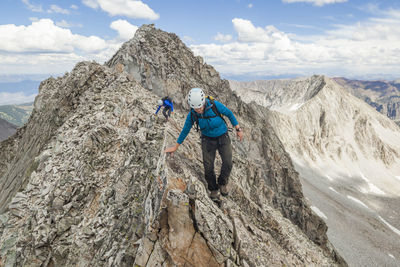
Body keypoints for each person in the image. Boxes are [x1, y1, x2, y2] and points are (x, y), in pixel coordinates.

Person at [165, 88, 243, 200]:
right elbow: (185, 130)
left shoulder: (214, 105)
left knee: (228, 162)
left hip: (223, 137)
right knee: (208, 167)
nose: (199, 110)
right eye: (196, 108)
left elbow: (229, 114)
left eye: (200, 107)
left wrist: (238, 129)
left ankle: (222, 183)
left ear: (203, 102)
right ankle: (213, 189)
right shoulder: (192, 114)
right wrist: (175, 147)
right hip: (207, 140)